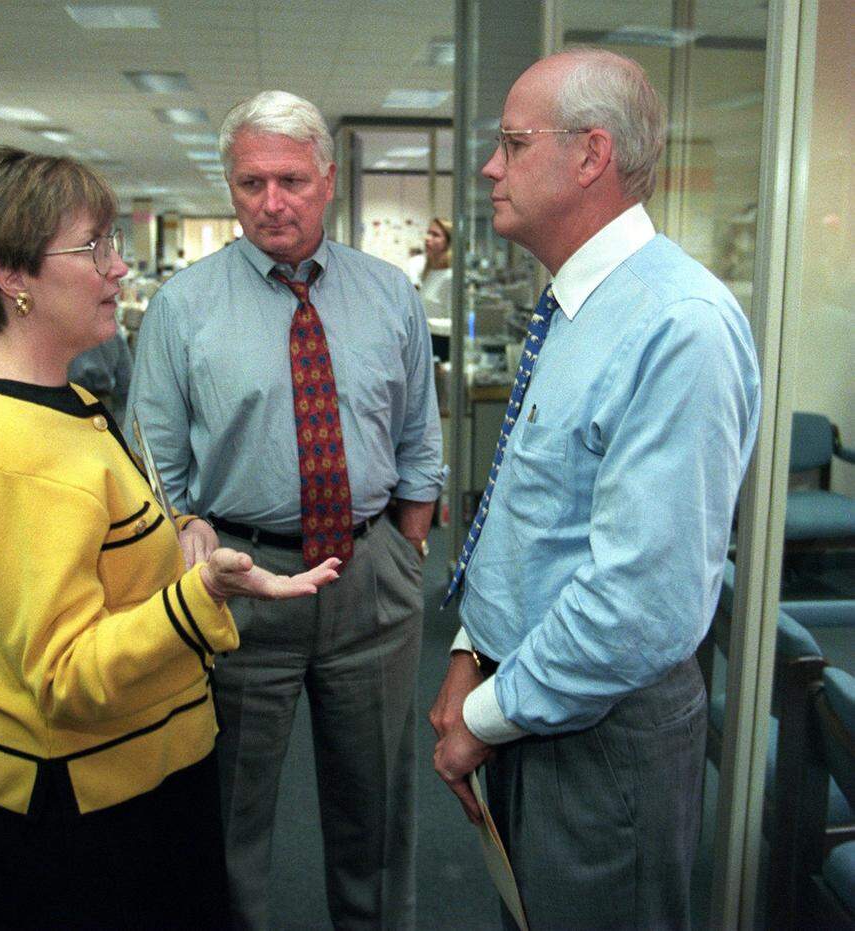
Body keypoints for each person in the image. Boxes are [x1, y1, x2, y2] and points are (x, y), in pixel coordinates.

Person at [0, 145, 339, 930]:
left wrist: (180, 530)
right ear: (12, 275)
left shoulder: (60, 397)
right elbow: (63, 675)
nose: (118, 270)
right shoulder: (10, 454)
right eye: (94, 248)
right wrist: (198, 595)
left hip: (136, 770)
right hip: (82, 809)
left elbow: (95, 534)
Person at [429, 48, 761, 929]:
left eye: (511, 142)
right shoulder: (576, 307)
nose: (491, 167)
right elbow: (527, 509)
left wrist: (488, 712)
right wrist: (471, 649)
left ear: (590, 156)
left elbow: (641, 606)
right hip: (537, 698)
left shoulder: (677, 327)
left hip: (602, 737)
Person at [128, 90, 445, 930]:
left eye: (292, 180)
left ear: (329, 180)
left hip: (370, 579)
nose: (273, 202)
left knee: (376, 813)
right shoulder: (181, 307)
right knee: (229, 819)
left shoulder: (390, 295)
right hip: (239, 580)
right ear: (230, 188)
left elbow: (420, 441)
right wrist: (185, 531)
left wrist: (405, 554)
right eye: (251, 183)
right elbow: (152, 460)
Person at [67, 328, 133, 426]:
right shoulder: (113, 331)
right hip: (102, 408)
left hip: (67, 404)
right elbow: (125, 382)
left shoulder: (62, 328)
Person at [418, 217, 452, 318]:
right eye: (428, 233)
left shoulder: (450, 277)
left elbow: (453, 322)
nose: (427, 238)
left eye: (435, 235)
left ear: (448, 243)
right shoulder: (429, 272)